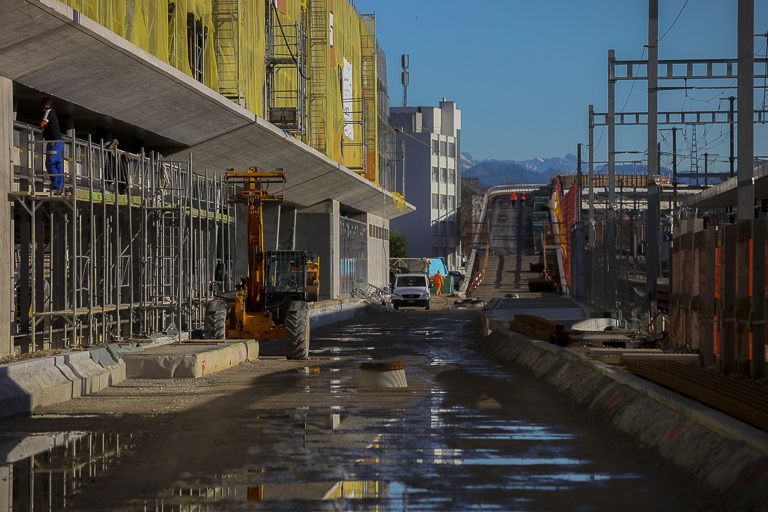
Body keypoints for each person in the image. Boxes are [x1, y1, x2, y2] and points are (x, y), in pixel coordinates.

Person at [39, 98, 64, 194]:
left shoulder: (48, 111)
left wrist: (40, 124)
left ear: (45, 105)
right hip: (59, 142)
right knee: (58, 164)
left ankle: (56, 186)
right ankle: (60, 187)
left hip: (54, 142)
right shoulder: (52, 112)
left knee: (50, 163)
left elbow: (42, 124)